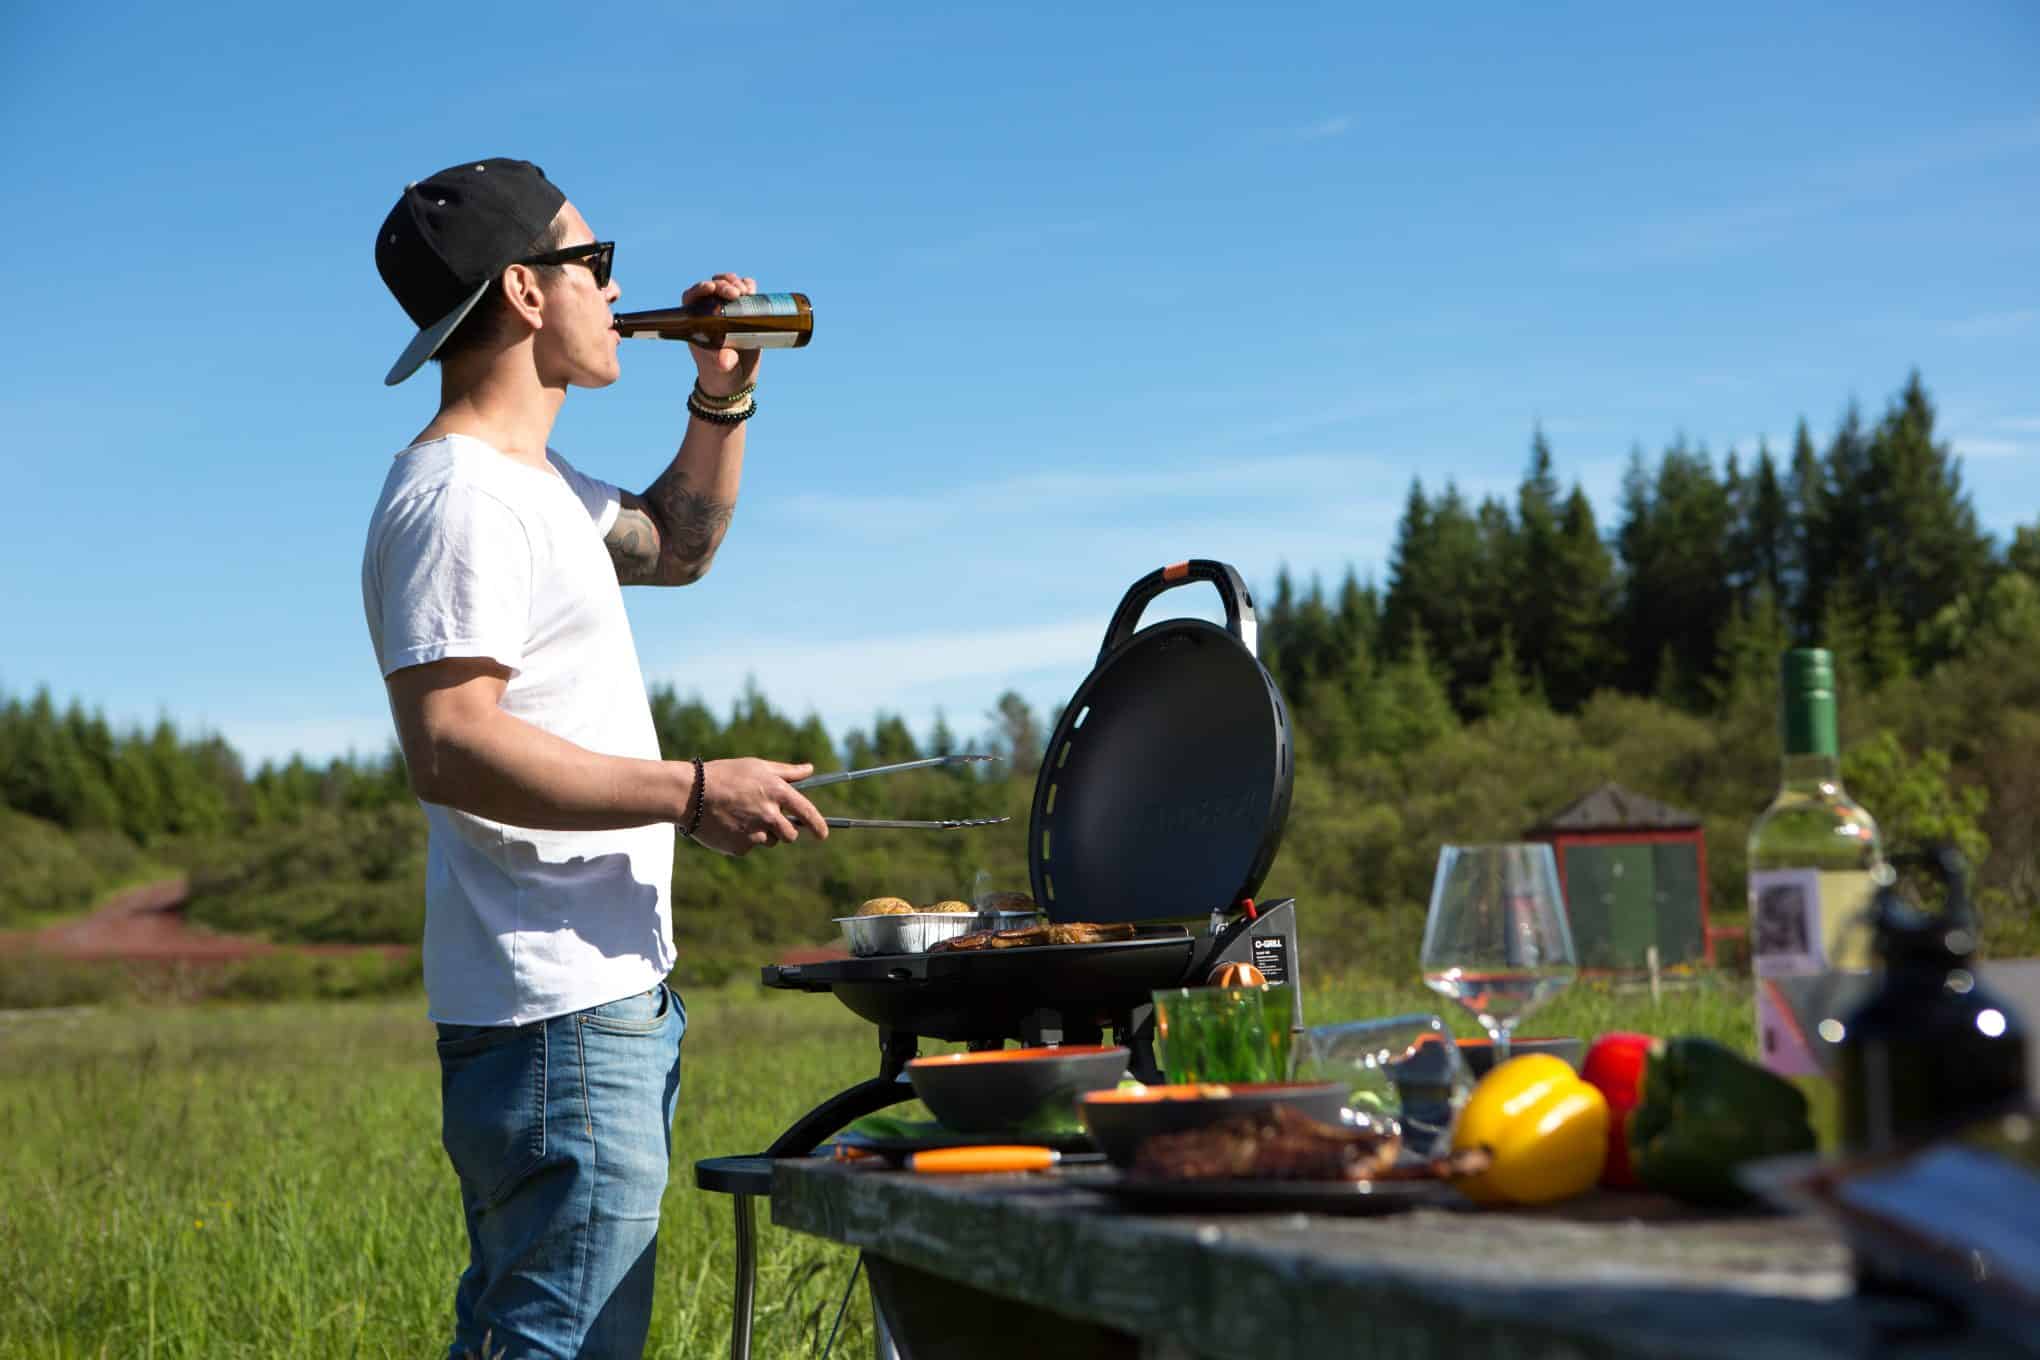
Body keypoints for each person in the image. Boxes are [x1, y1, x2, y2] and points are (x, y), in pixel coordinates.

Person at [360, 157, 828, 1359]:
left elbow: (675, 545)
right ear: (525, 290)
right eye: (594, 262)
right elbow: (453, 746)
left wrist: (720, 398)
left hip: (598, 1002)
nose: (615, 292)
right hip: (553, 1015)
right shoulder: (459, 497)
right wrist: (690, 791)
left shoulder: (542, 490)